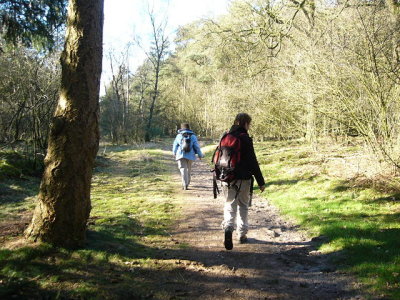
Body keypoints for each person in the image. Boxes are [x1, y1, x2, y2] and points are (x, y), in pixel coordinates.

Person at [222, 113, 265, 250]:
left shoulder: (226, 136)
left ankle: (228, 228)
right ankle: (241, 234)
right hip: (244, 179)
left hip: (227, 177)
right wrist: (261, 181)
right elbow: (253, 161)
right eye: (249, 124)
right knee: (243, 205)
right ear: (246, 123)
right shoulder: (245, 139)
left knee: (230, 204)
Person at [173, 123, 204, 190]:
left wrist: (174, 153)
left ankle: (184, 184)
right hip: (190, 156)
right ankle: (187, 183)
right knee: (188, 170)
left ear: (181, 128)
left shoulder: (179, 136)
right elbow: (196, 147)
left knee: (182, 169)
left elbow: (175, 145)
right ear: (189, 128)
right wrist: (200, 155)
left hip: (180, 155)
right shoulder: (193, 136)